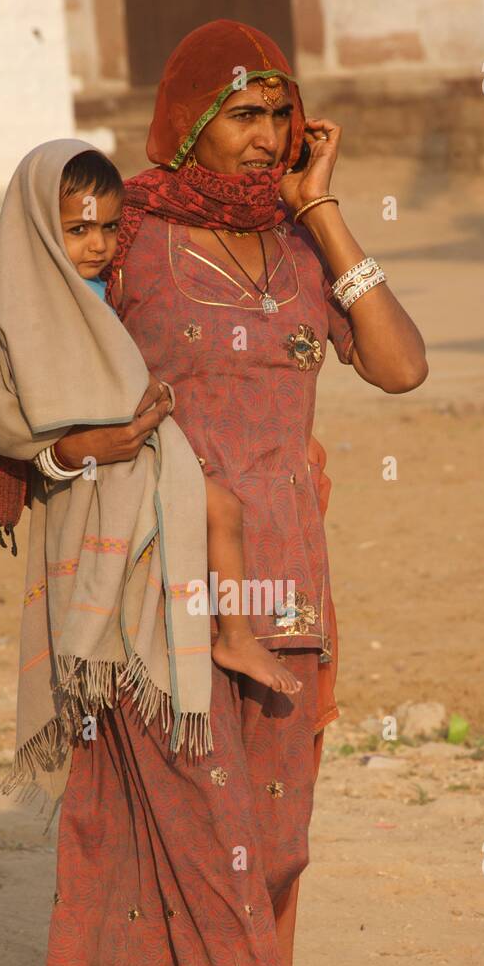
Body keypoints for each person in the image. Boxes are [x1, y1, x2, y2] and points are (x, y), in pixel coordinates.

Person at [0, 19, 427, 966]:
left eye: (282, 113)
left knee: (267, 853)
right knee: (209, 853)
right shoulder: (129, 236)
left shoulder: (293, 250)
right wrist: (78, 450)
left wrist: (322, 211)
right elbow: (7, 341)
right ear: (187, 120)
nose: (269, 134)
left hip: (286, 593)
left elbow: (398, 365)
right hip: (151, 593)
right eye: (245, 113)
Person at [56, 146, 302, 696]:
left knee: (220, 510)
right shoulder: (44, 300)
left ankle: (233, 633)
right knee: (217, 508)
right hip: (102, 450)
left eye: (110, 228)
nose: (98, 245)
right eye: (77, 230)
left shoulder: (104, 284)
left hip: (139, 435)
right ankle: (231, 636)